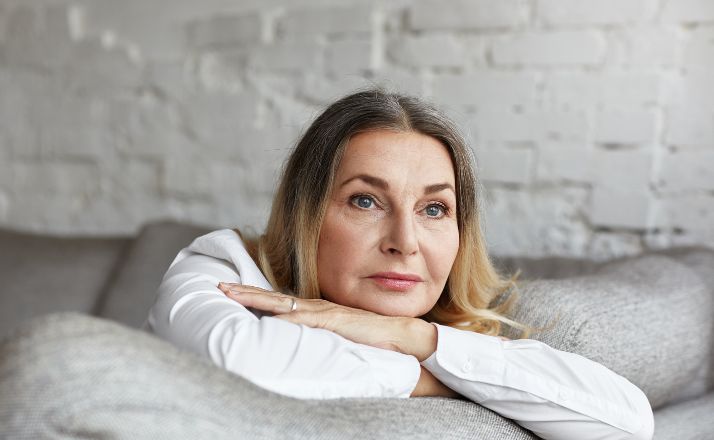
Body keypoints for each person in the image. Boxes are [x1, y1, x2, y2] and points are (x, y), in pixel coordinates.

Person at [144, 89, 654, 440]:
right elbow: (245, 365)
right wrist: (440, 377)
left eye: (434, 209)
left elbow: (629, 422)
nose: (405, 243)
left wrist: (417, 337)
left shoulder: (444, 331)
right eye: (366, 201)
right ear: (307, 214)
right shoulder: (219, 268)